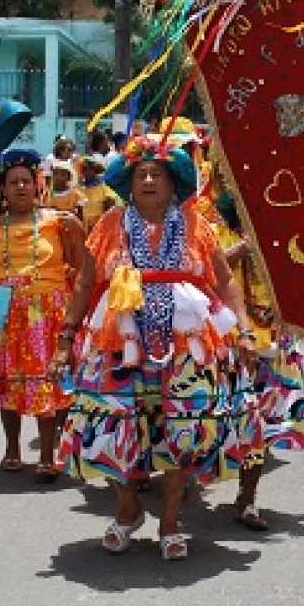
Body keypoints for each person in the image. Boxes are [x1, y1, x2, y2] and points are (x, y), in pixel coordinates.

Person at [49, 135, 259, 561]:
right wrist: (66, 338)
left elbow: (224, 281)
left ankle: (169, 518)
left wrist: (245, 330)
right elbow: (86, 284)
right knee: (103, 421)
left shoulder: (197, 225)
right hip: (118, 338)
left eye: (157, 173)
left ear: (173, 181)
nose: (147, 179)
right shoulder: (108, 224)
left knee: (185, 425)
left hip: (187, 341)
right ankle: (129, 509)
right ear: (128, 182)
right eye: (140, 173)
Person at [0, 149, 85, 481]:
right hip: (2, 311)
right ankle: (12, 447)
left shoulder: (58, 221)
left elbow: (79, 264)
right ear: (3, 188)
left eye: (26, 181)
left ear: (37, 185)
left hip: (47, 312)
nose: (21, 188)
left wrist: (79, 231)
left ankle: (47, 453)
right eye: (13, 182)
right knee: (9, 380)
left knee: (47, 381)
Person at [204, 187, 304, 531]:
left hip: (275, 343)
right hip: (231, 342)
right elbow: (209, 272)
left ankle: (247, 499)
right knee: (217, 420)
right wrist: (247, 246)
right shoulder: (215, 230)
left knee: (262, 425)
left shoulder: (281, 234)